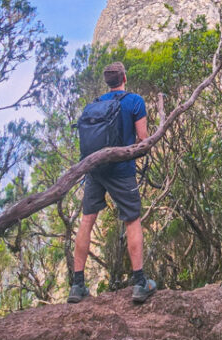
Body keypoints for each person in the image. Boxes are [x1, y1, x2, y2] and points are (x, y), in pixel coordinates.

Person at [67, 61, 157, 304]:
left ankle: (77, 285)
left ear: (107, 81)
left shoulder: (94, 105)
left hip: (94, 169)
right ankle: (140, 283)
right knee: (132, 219)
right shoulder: (134, 101)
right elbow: (142, 139)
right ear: (124, 78)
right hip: (121, 169)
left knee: (87, 220)